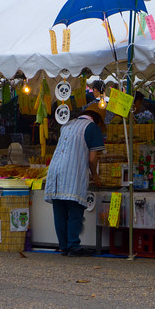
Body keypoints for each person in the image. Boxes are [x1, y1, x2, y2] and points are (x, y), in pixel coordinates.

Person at [44, 103, 105, 256]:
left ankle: (64, 246)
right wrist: (95, 176)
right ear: (98, 119)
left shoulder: (67, 124)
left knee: (60, 210)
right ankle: (74, 246)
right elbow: (92, 159)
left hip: (55, 171)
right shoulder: (92, 128)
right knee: (75, 208)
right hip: (73, 171)